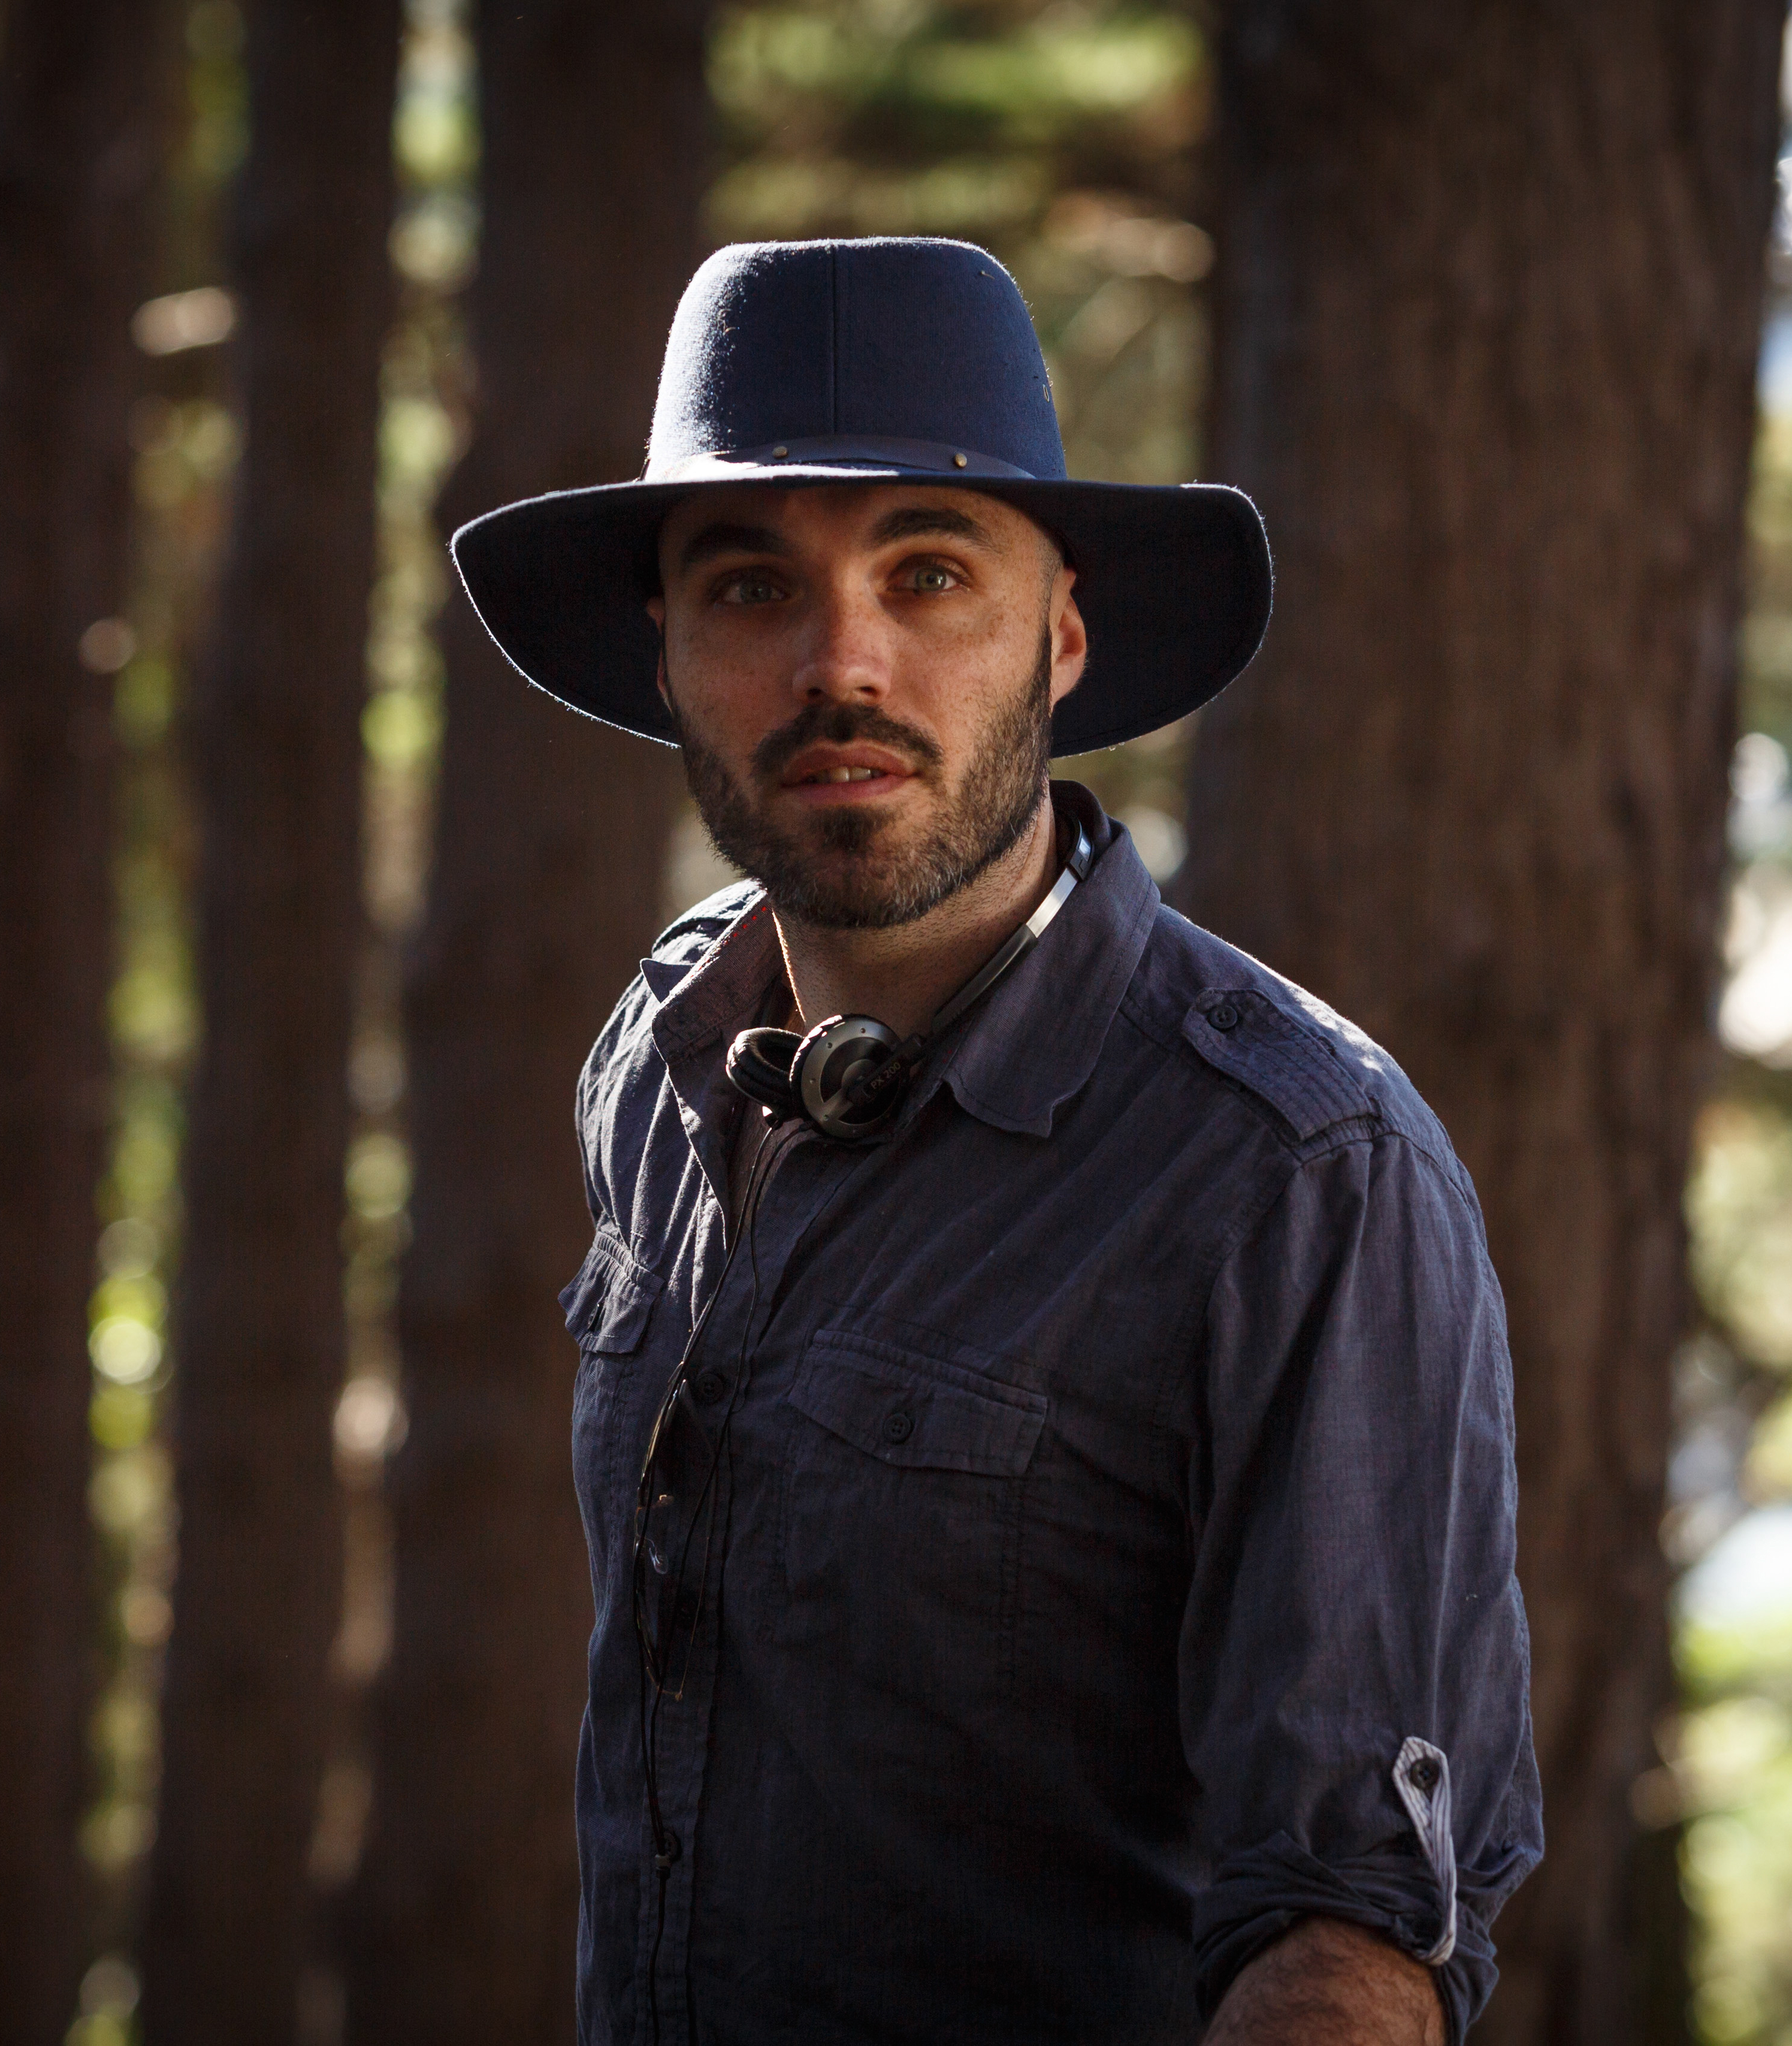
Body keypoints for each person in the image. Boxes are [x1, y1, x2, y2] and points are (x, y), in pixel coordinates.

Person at [451, 237, 1541, 2044]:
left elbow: (1350, 1943)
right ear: (667, 653)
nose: (841, 665)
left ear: (1061, 634)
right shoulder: (654, 1066)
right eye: (746, 586)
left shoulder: (1294, 1164)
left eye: (930, 572)